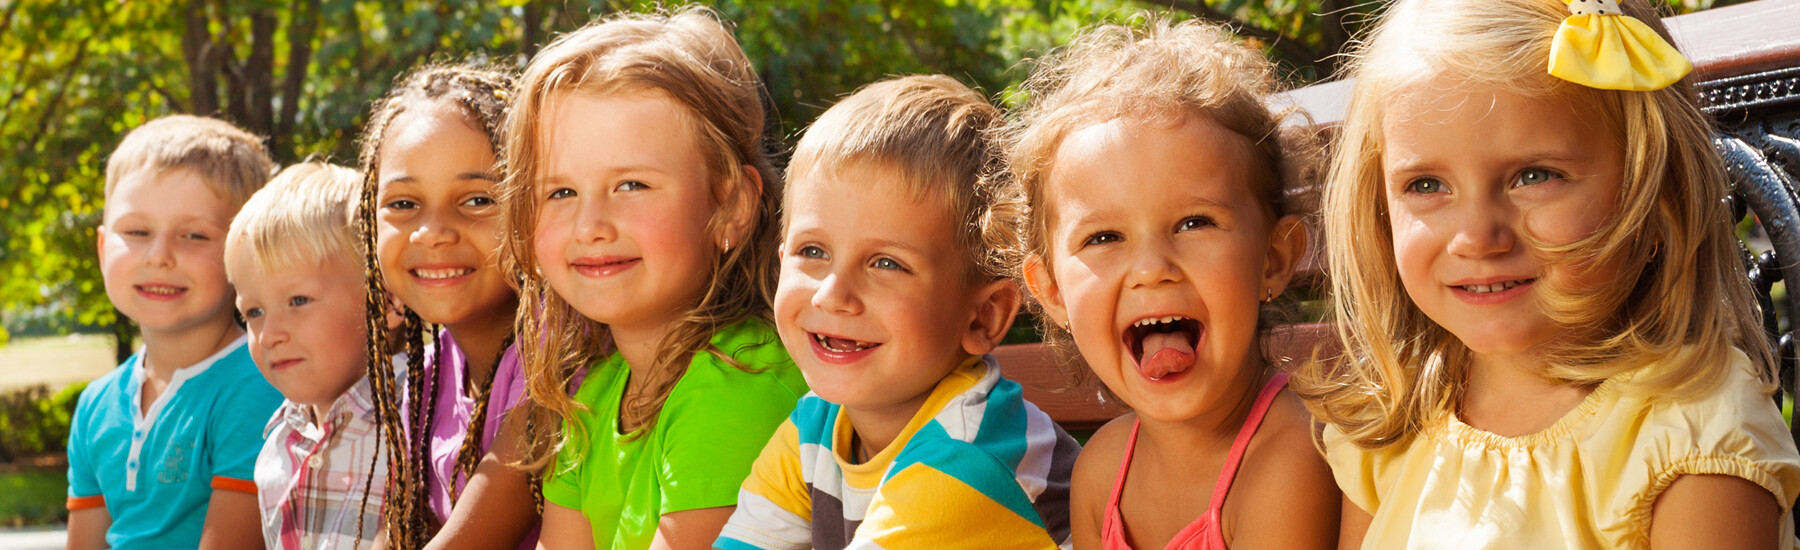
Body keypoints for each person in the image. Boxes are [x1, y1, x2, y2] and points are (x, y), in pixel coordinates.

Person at [1289, 0, 1800, 547]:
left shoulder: (1693, 434)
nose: (1477, 236)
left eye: (1534, 176)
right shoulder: (1396, 420)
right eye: (1426, 185)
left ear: (1654, 194)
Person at [1004, 18, 1339, 549]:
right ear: (1051, 294)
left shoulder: (1291, 457)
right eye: (1104, 237)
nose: (1151, 268)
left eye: (1194, 223)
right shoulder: (1101, 472)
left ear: (1273, 259)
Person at [714, 75, 1082, 550]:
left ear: (983, 317)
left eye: (886, 263)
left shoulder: (968, 457)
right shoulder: (817, 424)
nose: (832, 294)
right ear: (781, 259)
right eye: (813, 251)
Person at [497, 7, 808, 549]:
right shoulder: (594, 397)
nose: (591, 225)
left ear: (731, 206)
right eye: (560, 192)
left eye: (632, 185)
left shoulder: (740, 381)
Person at [67, 114, 284, 549]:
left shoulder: (259, 385)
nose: (160, 255)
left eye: (193, 235)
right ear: (102, 245)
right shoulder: (96, 405)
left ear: (244, 253)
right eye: (137, 231)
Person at [354, 64, 539, 550]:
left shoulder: (556, 363)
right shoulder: (428, 380)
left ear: (530, 205)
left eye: (477, 199)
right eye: (403, 204)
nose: (432, 231)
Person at [229, 162, 388, 550]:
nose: (269, 334)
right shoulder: (278, 445)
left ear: (384, 299)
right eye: (253, 312)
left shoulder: (417, 419)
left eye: (298, 301)